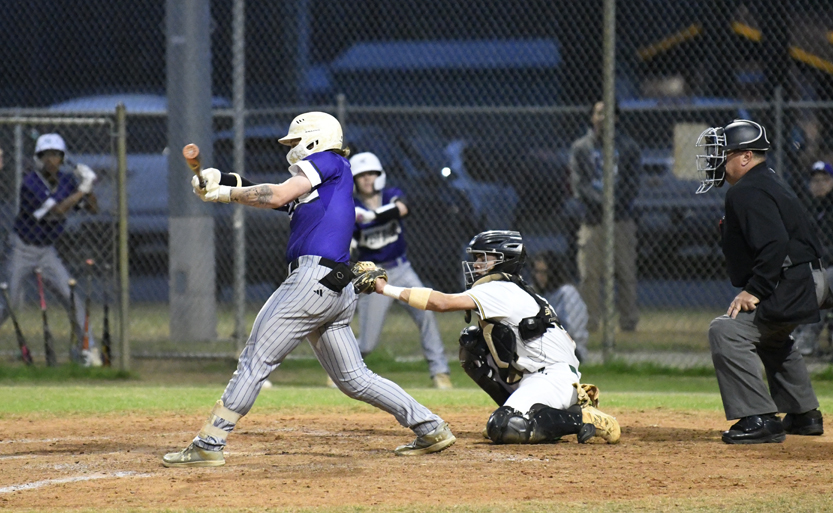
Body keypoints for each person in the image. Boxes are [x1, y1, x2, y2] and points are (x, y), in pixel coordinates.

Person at [162, 112, 456, 468]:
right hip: (334, 287)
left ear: (315, 139)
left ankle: (209, 442)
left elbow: (274, 195)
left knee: (255, 360)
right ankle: (430, 426)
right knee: (355, 379)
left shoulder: (329, 160)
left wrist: (224, 193)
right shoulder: (320, 185)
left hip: (311, 281)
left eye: (294, 142)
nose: (290, 150)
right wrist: (219, 179)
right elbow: (270, 193)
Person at [372, 230, 620, 445]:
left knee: (504, 427)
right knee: (472, 344)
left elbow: (441, 302)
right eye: (476, 258)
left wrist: (384, 288)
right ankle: (524, 409)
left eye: (483, 258)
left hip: (552, 377)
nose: (476, 264)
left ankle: (582, 418)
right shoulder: (512, 287)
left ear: (504, 261)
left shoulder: (499, 289)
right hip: (539, 375)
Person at [695, 119, 825, 444]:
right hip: (808, 277)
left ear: (746, 157)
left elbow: (774, 244)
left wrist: (755, 289)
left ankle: (760, 417)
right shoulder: (768, 181)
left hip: (795, 281)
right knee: (773, 336)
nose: (716, 162)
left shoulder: (748, 190)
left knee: (726, 330)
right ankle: (804, 414)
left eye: (723, 154)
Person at [349, 151, 452, 389]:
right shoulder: (351, 206)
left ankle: (440, 373)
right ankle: (339, 365)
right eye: (362, 175)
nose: (367, 179)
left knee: (426, 312)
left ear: (380, 176)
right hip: (374, 276)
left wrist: (372, 216)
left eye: (372, 174)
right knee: (366, 343)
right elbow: (350, 239)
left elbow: (403, 208)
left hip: (402, 269)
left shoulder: (391, 195)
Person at [0, 133, 100, 366]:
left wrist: (89, 186)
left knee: (72, 297)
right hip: (22, 248)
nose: (51, 160)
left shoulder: (67, 181)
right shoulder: (30, 183)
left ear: (62, 158)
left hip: (46, 251)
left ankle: (87, 349)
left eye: (56, 155)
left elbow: (92, 208)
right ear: (38, 158)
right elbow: (57, 210)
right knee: (10, 304)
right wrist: (81, 191)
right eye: (46, 156)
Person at [569, 101, 641, 332]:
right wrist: (602, 204)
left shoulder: (628, 147)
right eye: (599, 113)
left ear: (616, 118)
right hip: (592, 219)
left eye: (608, 113)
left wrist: (614, 204)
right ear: (592, 117)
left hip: (621, 219)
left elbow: (632, 183)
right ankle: (590, 322)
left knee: (626, 272)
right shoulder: (581, 148)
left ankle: (628, 322)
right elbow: (579, 185)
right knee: (589, 274)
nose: (603, 117)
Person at [792, 160, 833, 357]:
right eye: (815, 180)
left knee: (824, 279)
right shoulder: (807, 208)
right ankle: (790, 334)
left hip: (829, 267)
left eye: (824, 179)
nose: (819, 184)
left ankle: (807, 336)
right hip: (814, 265)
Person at [530, 251, 589, 363]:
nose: (539, 277)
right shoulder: (536, 293)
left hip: (570, 349)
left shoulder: (567, 293)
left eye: (544, 272)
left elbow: (572, 331)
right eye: (537, 272)